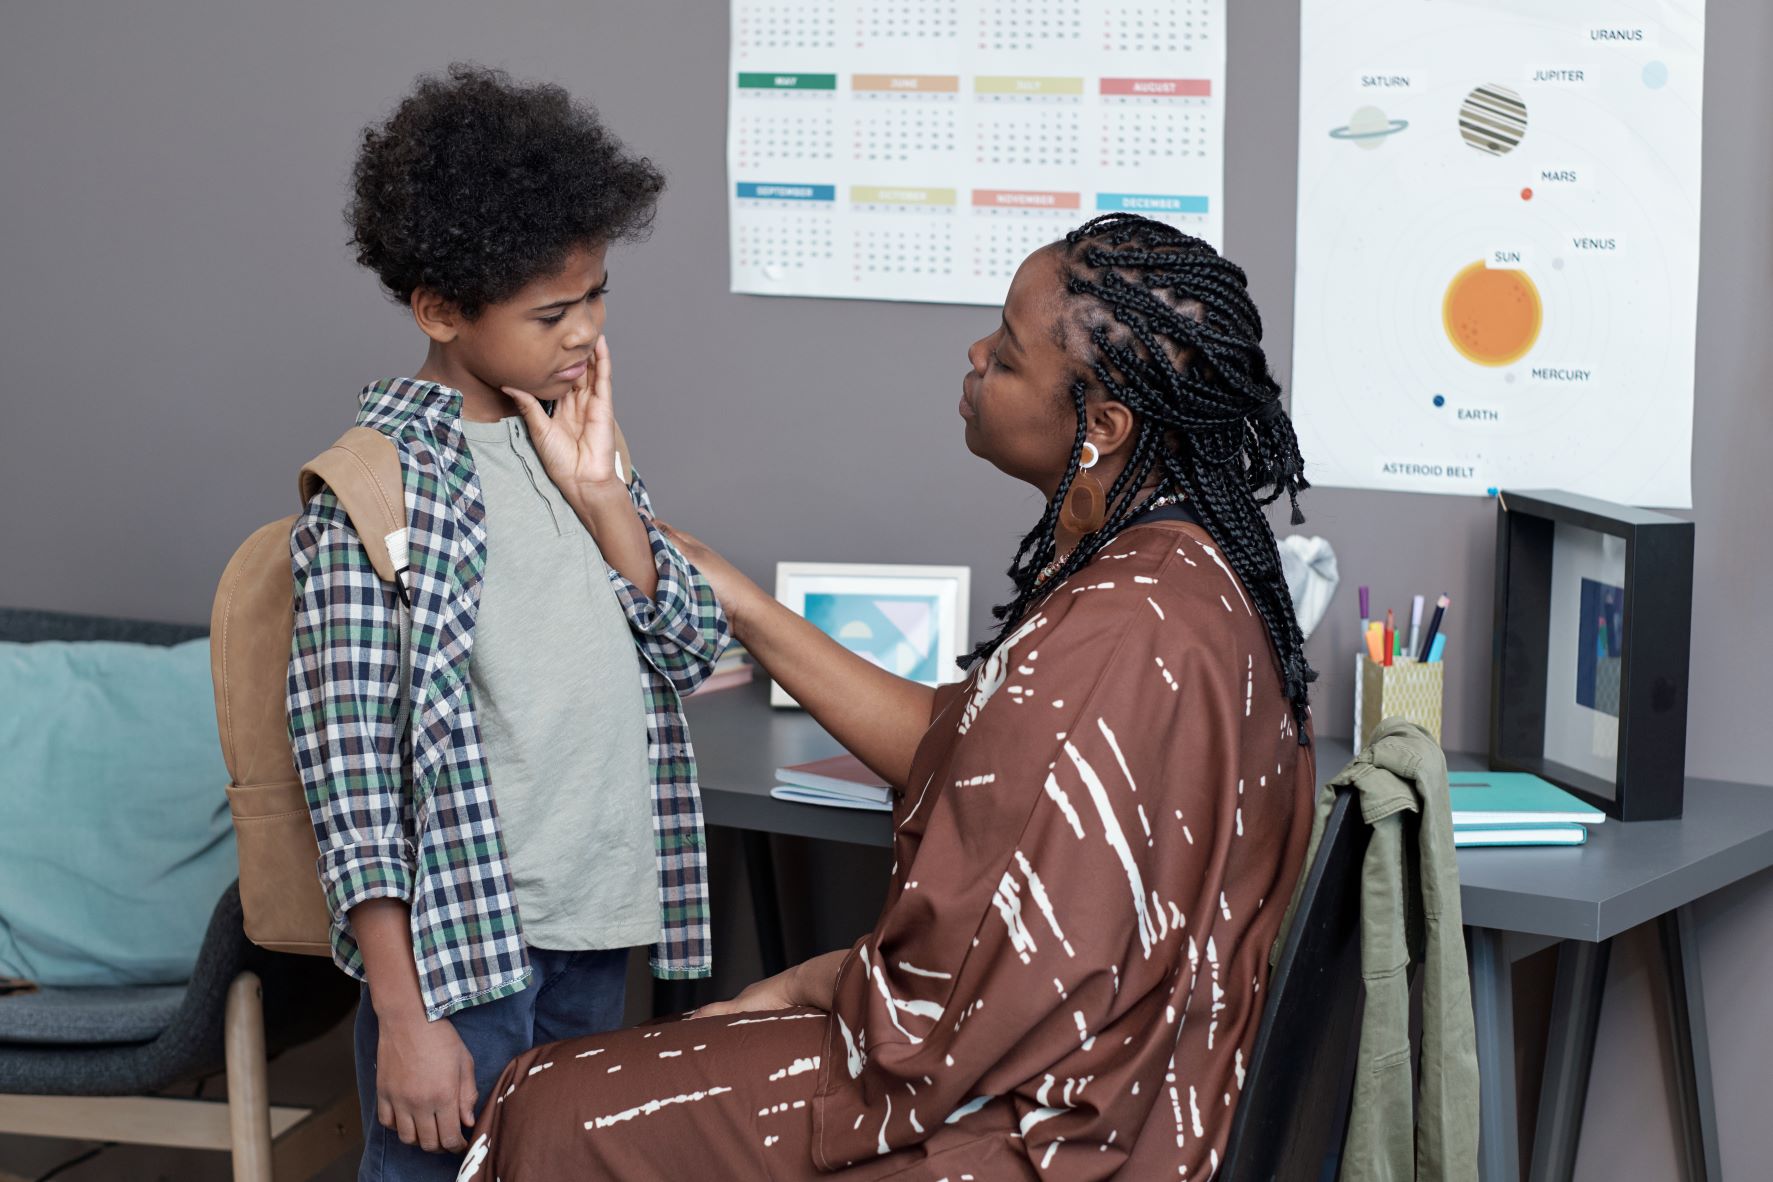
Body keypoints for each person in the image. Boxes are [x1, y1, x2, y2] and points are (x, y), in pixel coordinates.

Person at [461, 213, 1317, 1180]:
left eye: (1007, 350)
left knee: (552, 1104)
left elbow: (971, 989)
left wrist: (811, 981)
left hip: (1044, 1127)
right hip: (1126, 1078)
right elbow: (947, 742)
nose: (976, 352)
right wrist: (721, 584)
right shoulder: (1175, 568)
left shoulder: (1121, 635)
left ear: (1102, 426)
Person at [286, 64, 727, 1182]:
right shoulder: (376, 490)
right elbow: (350, 779)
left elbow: (685, 650)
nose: (586, 335)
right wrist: (407, 1013)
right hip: (461, 955)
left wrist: (606, 499)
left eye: (597, 296)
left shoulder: (584, 448)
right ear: (440, 309)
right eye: (551, 313)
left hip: (597, 920)